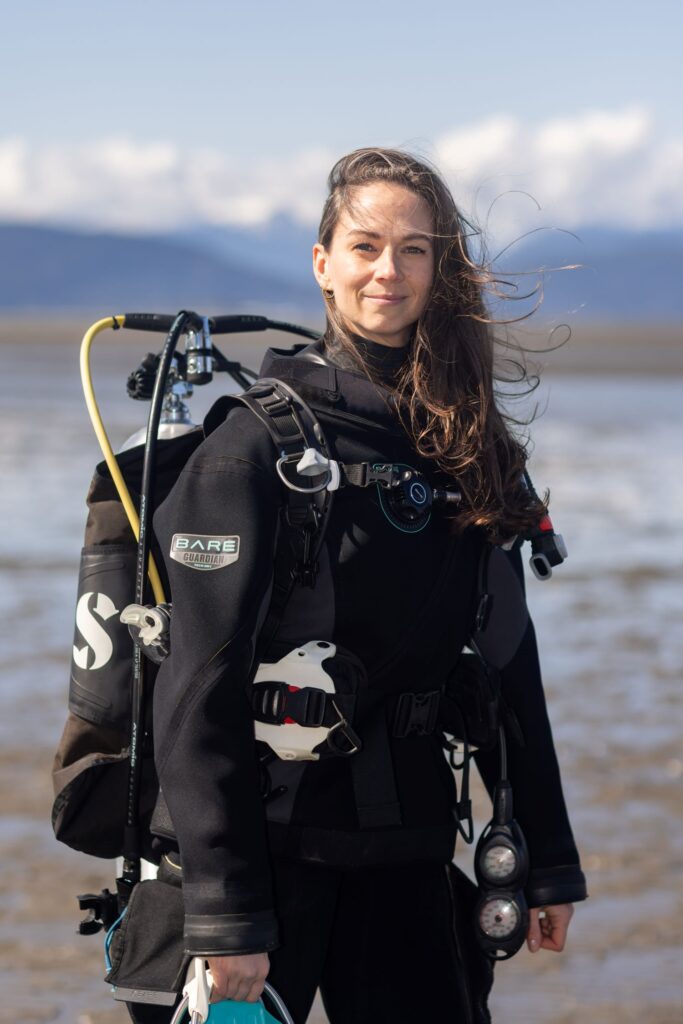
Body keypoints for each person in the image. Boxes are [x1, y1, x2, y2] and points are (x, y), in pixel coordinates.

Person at [150, 147, 587, 1023]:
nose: (388, 270)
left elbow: (508, 661)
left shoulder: (467, 447)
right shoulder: (252, 448)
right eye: (364, 246)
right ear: (323, 263)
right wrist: (226, 911)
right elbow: (197, 688)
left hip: (406, 851)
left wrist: (547, 857)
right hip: (269, 854)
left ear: (439, 269)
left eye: (414, 249)